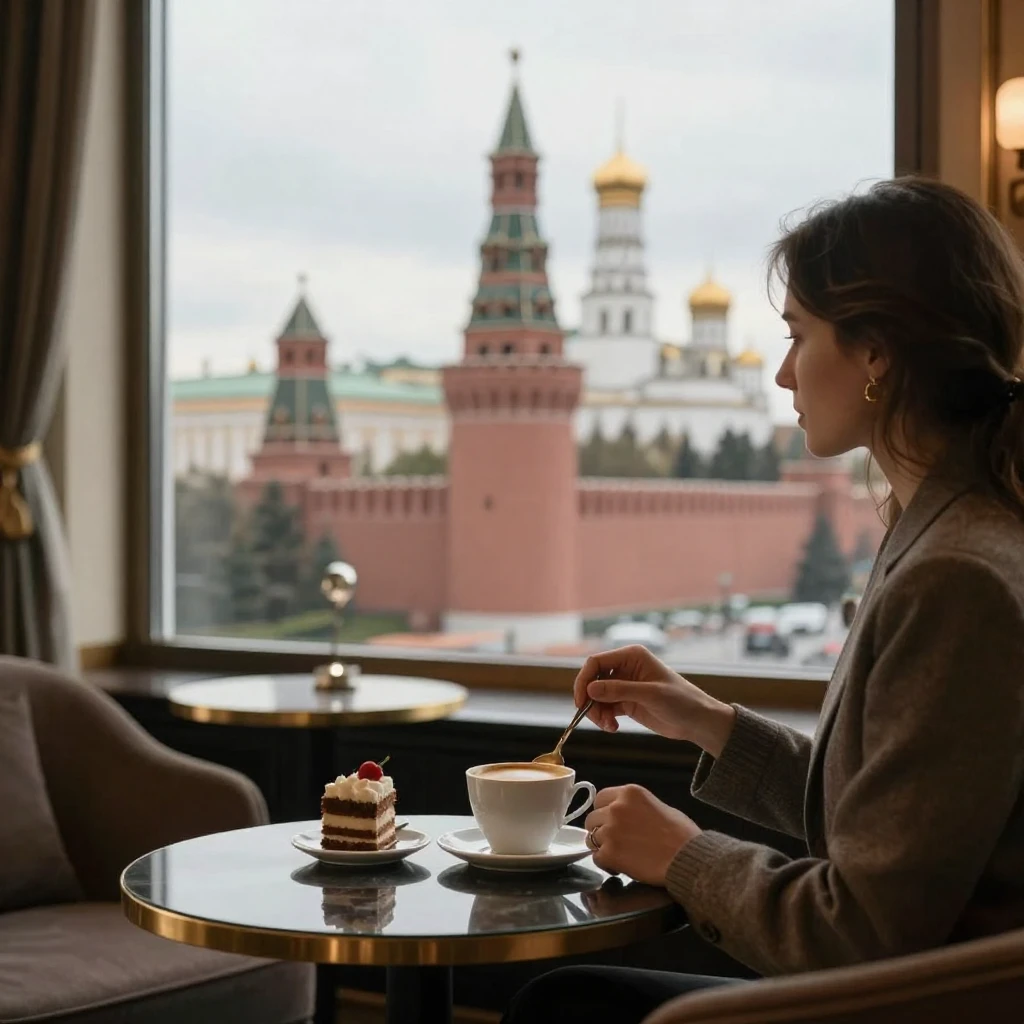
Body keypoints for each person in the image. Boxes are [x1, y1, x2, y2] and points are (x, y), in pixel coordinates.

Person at [502, 177, 1024, 1024]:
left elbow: (866, 929)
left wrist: (682, 854)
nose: (781, 372)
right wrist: (704, 718)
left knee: (568, 1009)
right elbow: (887, 826)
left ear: (877, 354)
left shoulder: (957, 575)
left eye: (798, 336)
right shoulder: (945, 526)